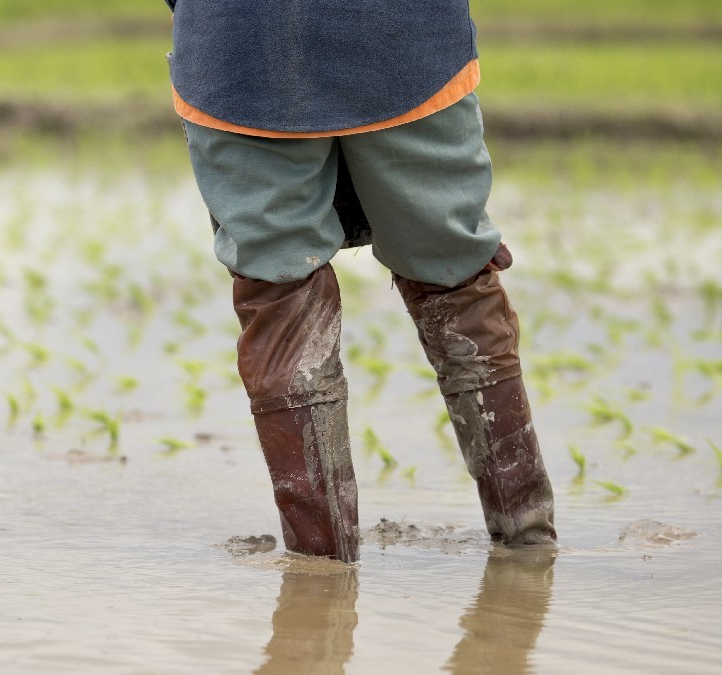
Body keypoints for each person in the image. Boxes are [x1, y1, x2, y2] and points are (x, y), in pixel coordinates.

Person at [164, 1, 558, 563]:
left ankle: (319, 573)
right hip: (402, 41)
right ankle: (528, 548)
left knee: (279, 291)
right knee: (454, 276)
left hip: (239, 49)